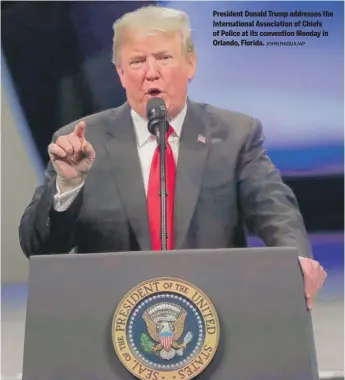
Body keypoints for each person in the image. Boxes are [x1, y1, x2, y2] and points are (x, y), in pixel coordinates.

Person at [19, 5, 326, 309]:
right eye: (137, 61)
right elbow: (39, 248)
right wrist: (68, 186)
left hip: (216, 317)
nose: (151, 72)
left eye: (164, 58)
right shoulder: (80, 140)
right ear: (121, 73)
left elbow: (273, 208)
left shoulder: (233, 135)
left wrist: (294, 258)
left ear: (190, 64)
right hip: (110, 324)